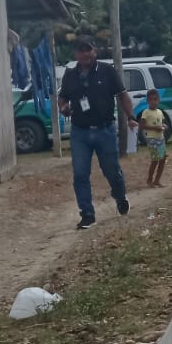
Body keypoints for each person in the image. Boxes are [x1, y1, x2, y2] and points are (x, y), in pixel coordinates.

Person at [57, 37, 138, 229]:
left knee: (111, 170)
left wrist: (131, 117)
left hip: (105, 130)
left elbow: (122, 95)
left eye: (88, 50)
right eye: (80, 50)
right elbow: (63, 97)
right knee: (80, 174)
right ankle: (87, 214)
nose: (85, 54)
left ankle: (120, 196)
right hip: (80, 133)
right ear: (75, 54)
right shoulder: (70, 75)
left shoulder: (106, 71)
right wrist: (63, 108)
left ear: (95, 51)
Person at [138, 88, 168, 188]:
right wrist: (155, 128)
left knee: (163, 159)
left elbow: (162, 123)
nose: (153, 101)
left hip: (161, 138)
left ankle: (157, 180)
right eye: (150, 99)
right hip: (152, 139)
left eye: (155, 99)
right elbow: (142, 126)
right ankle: (149, 180)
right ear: (147, 101)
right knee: (155, 160)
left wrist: (164, 126)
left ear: (158, 100)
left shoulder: (160, 112)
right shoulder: (146, 112)